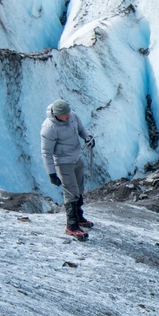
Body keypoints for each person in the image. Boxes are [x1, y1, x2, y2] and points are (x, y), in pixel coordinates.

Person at [41, 98, 95, 239]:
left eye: (68, 113)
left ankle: (80, 217)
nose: (68, 116)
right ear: (57, 115)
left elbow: (81, 129)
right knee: (71, 192)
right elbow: (46, 152)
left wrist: (88, 137)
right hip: (64, 163)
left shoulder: (72, 116)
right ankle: (71, 226)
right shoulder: (49, 128)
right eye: (65, 115)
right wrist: (52, 173)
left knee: (79, 188)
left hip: (76, 158)